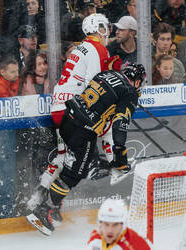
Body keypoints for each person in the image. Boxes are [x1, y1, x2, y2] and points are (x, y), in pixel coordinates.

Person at [26, 64, 147, 236]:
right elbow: (121, 123)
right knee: (73, 174)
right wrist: (120, 152)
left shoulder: (108, 74)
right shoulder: (130, 92)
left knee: (74, 165)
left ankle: (51, 206)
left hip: (68, 118)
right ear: (136, 81)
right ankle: (43, 211)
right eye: (140, 83)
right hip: (83, 130)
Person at [26, 13, 120, 225]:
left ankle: (38, 196)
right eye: (104, 27)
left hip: (60, 107)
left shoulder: (81, 48)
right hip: (74, 109)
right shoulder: (97, 48)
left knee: (63, 157)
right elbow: (96, 85)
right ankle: (109, 163)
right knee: (81, 159)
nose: (107, 31)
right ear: (97, 28)